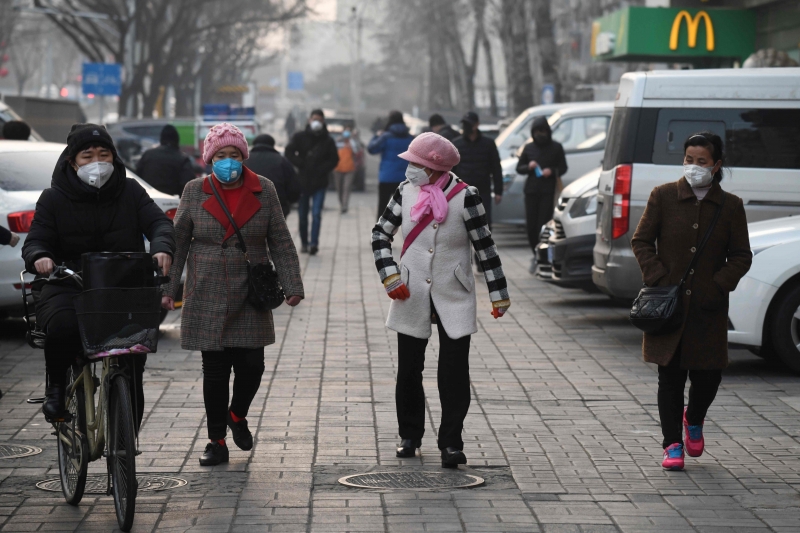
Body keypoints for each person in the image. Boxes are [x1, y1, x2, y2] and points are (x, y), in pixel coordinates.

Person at [161, 123, 304, 466]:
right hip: (206, 287)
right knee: (215, 370)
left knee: (253, 365)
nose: (228, 162)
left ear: (244, 157)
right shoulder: (194, 191)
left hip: (250, 288)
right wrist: (168, 289)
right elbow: (178, 242)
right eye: (221, 156)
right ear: (210, 159)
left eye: (235, 155)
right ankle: (216, 441)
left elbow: (280, 241)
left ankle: (237, 415)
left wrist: (293, 285)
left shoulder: (264, 189)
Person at [372, 132, 511, 468]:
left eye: (416, 164)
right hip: (410, 289)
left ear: (435, 167)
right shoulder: (405, 192)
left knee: (453, 370)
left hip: (454, 290)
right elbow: (380, 235)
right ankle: (410, 435)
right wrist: (390, 276)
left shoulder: (467, 197)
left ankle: (451, 441)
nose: (410, 170)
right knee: (409, 368)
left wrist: (499, 294)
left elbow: (485, 248)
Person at [21, 123, 175, 424]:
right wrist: (41, 257)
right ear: (72, 162)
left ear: (114, 159)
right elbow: (36, 239)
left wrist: (161, 247)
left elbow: (159, 223)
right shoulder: (52, 198)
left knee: (133, 353)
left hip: (121, 284)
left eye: (103, 155)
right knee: (62, 326)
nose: (96, 163)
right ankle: (55, 390)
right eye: (87, 156)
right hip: (68, 283)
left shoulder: (130, 191)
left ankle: (125, 438)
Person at [631, 132, 751, 471]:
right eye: (688, 159)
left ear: (716, 165)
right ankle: (671, 445)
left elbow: (741, 255)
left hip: (707, 310)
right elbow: (641, 242)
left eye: (701, 161)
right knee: (669, 377)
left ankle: (693, 418)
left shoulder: (730, 206)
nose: (693, 167)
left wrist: (717, 286)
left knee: (708, 378)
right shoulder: (663, 196)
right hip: (668, 309)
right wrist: (657, 278)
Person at [452, 111, 503, 272]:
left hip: (483, 191)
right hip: (461, 192)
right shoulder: (457, 144)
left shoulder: (488, 144)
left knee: (485, 226)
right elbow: (451, 170)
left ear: (476, 125)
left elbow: (496, 168)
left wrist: (499, 190)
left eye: (468, 124)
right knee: (463, 227)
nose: (465, 127)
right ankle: (465, 260)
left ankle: (481, 259)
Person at [285, 109, 339, 255]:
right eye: (314, 119)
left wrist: (322, 169)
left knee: (316, 214)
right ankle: (304, 243)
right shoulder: (300, 136)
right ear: (309, 120)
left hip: (320, 182)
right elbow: (289, 152)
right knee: (302, 215)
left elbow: (334, 159)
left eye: (320, 120)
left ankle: (314, 243)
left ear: (323, 122)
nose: (317, 122)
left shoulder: (327, 140)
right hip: (302, 182)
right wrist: (301, 164)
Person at [516, 116, 567, 271]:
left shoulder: (556, 147)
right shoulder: (529, 148)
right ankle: (535, 254)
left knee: (542, 225)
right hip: (531, 191)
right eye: (537, 131)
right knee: (531, 226)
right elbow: (519, 168)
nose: (540, 134)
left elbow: (563, 167)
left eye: (543, 130)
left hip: (547, 191)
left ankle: (543, 257)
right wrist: (528, 167)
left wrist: (551, 171)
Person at [368, 110, 413, 218]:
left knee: (383, 208)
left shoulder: (385, 136)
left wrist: (376, 136)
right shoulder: (410, 138)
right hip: (405, 178)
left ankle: (381, 232)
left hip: (386, 177)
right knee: (405, 210)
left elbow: (372, 149)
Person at [245, 134, 301, 217]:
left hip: (249, 207)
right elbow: (293, 186)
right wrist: (289, 202)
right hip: (277, 207)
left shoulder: (245, 161)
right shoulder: (282, 161)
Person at [135, 125, 196, 197]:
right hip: (171, 203)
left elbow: (137, 179)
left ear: (161, 139)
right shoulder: (182, 159)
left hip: (147, 200)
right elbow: (188, 187)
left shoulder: (147, 155)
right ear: (177, 140)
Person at [332, 127, 358, 214]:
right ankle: (341, 204)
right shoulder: (338, 142)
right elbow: (331, 150)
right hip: (338, 169)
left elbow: (357, 151)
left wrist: (352, 140)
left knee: (346, 188)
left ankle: (345, 206)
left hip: (350, 169)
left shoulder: (352, 142)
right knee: (339, 188)